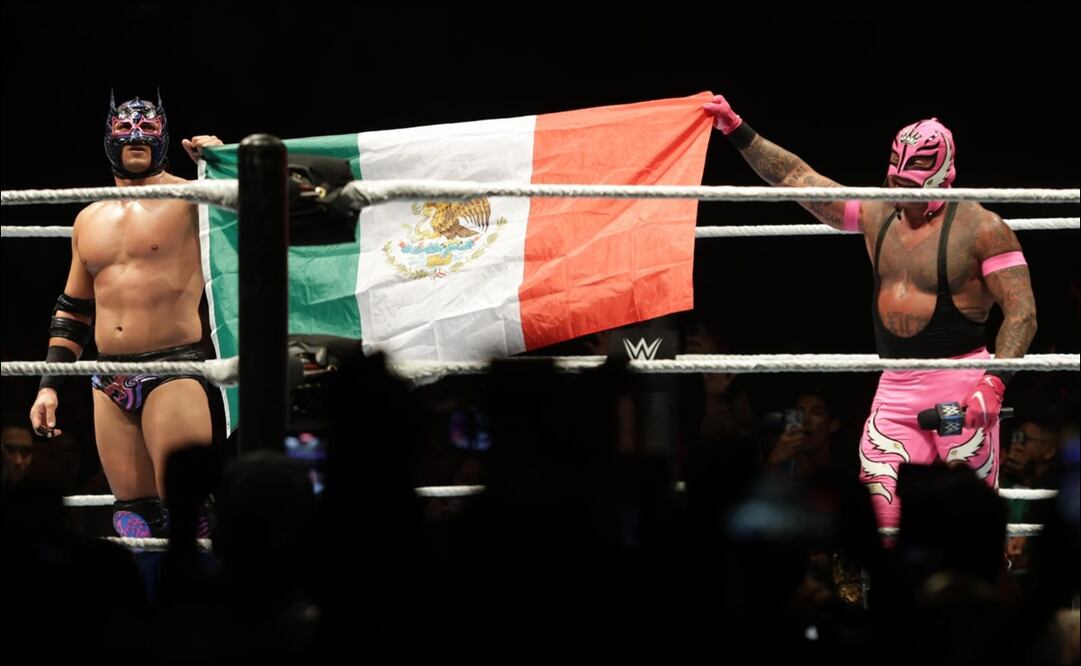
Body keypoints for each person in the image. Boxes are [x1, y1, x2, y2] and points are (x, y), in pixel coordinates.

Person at [703, 95, 1037, 530]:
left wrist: (993, 385)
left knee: (968, 528)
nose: (900, 193)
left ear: (942, 181)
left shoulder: (983, 230)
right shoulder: (878, 212)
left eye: (911, 187)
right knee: (881, 522)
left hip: (962, 387)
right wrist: (736, 129)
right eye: (895, 180)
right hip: (895, 390)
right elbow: (796, 177)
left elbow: (1022, 313)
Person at [28, 91, 223, 537]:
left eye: (148, 128)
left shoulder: (192, 197)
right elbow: (72, 311)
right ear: (108, 137)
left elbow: (259, 212)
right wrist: (49, 387)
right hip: (108, 377)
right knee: (132, 517)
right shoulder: (88, 218)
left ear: (164, 136)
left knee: (189, 514)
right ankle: (144, 606)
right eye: (124, 128)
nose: (136, 135)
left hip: (172, 369)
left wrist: (220, 162)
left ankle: (201, 606)